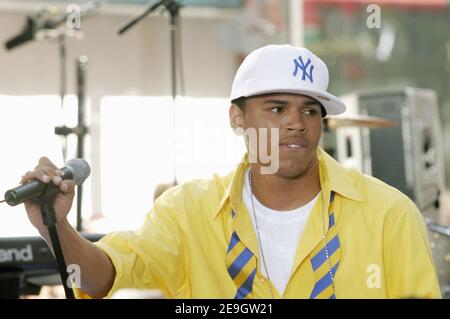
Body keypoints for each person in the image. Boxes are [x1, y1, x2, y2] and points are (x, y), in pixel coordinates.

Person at [22, 44, 441, 299]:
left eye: (310, 111)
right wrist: (56, 228)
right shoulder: (188, 212)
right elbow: (103, 277)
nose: (297, 123)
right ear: (236, 119)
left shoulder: (389, 214)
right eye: (276, 108)